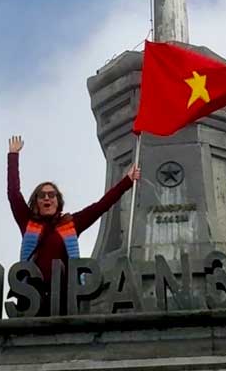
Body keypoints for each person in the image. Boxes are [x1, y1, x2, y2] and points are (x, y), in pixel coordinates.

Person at [7, 135, 140, 315]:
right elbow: (14, 193)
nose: (47, 197)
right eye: (42, 195)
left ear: (58, 201)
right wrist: (13, 155)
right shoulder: (28, 222)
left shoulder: (70, 224)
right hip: (31, 294)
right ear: (36, 202)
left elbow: (101, 206)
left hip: (64, 296)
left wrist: (127, 181)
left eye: (52, 195)